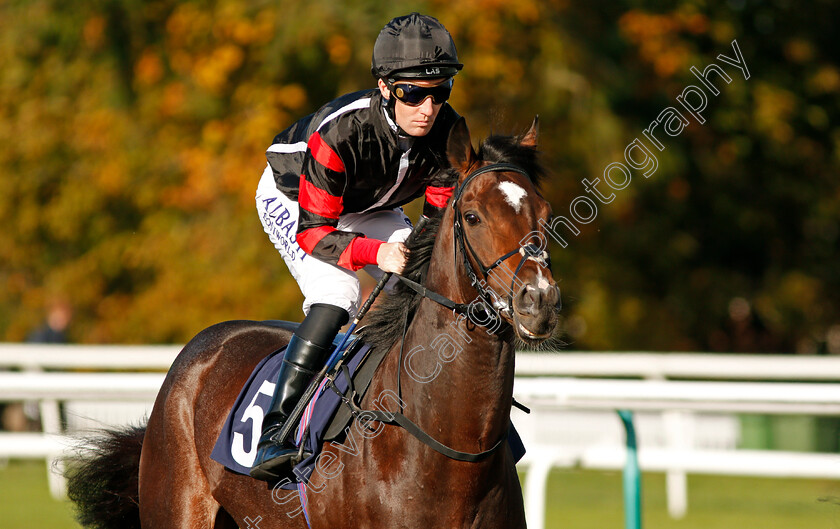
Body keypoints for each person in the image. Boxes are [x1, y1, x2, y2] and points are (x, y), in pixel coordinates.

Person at [251, 13, 464, 479]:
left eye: (440, 91)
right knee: (338, 296)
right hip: (297, 200)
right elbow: (315, 233)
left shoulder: (450, 134)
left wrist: (412, 262)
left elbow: (433, 226)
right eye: (413, 92)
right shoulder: (340, 134)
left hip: (368, 203)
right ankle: (276, 433)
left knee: (427, 286)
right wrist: (376, 253)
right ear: (387, 88)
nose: (427, 108)